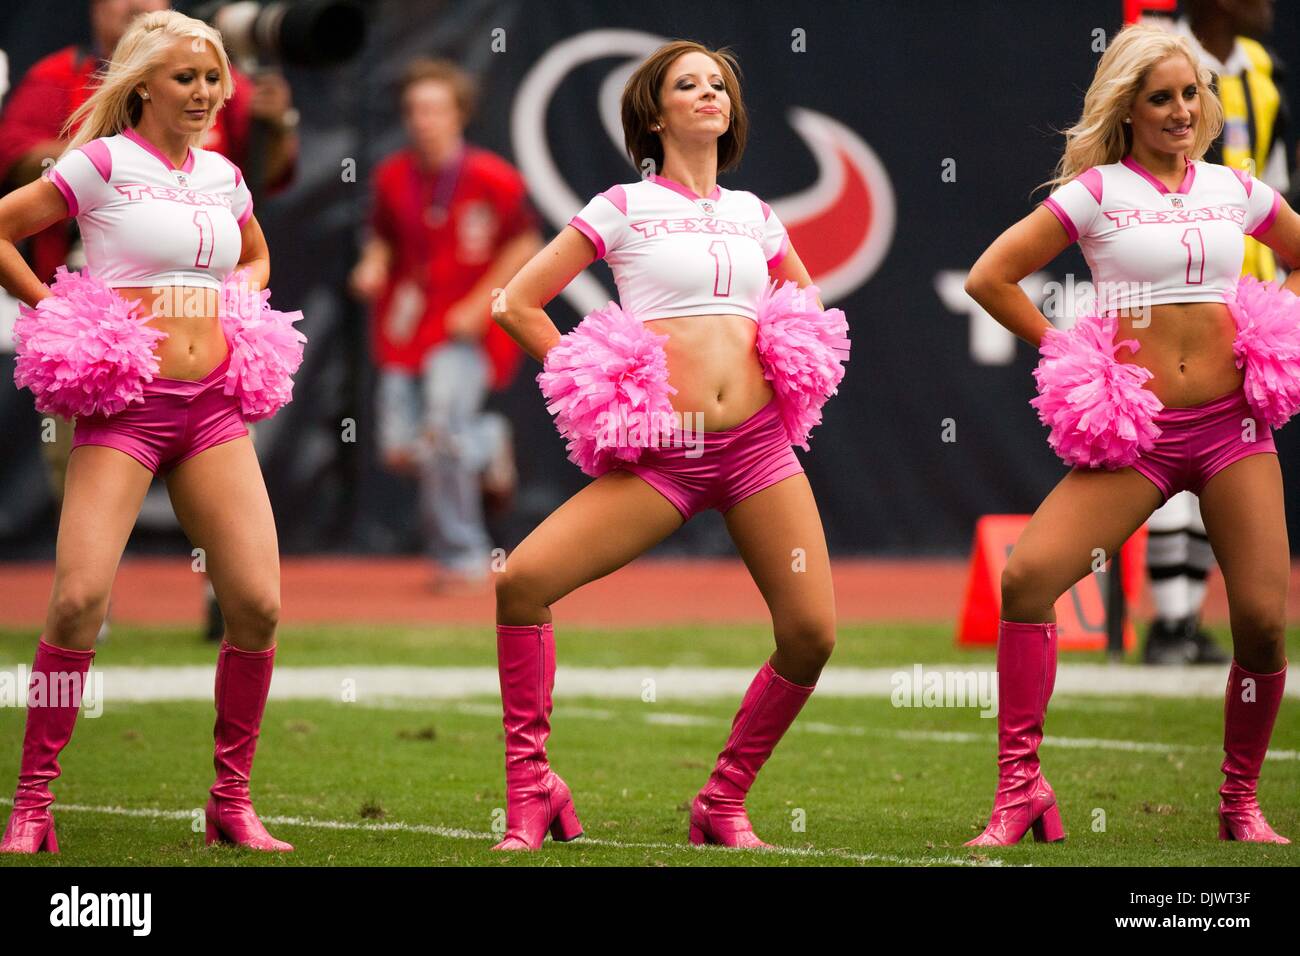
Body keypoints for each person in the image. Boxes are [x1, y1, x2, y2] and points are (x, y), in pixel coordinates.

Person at [488, 40, 843, 851]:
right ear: (656, 112)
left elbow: (809, 302)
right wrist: (594, 372)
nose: (709, 94)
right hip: (665, 454)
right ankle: (532, 788)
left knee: (812, 634)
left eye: (719, 84)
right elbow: (517, 302)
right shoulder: (621, 206)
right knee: (523, 585)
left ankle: (722, 800)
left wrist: (786, 350)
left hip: (757, 449)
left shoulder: (756, 214)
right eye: (689, 85)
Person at [963, 23, 1298, 846]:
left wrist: (1277, 324)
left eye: (1190, 94)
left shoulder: (1237, 189)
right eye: (1161, 98)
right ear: (1128, 108)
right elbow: (989, 277)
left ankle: (1239, 802)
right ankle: (1021, 792)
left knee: (1261, 621)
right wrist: (1072, 349)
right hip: (1137, 432)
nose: (1181, 111)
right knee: (1029, 579)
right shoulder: (1097, 191)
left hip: (1232, 425)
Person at [0, 10, 300, 853]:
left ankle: (232, 801)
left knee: (258, 604)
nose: (204, 93)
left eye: (211, 78)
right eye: (185, 79)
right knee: (77, 601)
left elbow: (257, 255)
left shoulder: (224, 176)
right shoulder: (99, 163)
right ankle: (32, 801)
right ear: (142, 86)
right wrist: (56, 306)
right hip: (125, 405)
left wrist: (240, 298)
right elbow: (4, 227)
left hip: (211, 406)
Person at [350, 58, 539, 593]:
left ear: (458, 114)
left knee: (441, 437)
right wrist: (373, 265)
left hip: (463, 332)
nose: (422, 120)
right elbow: (381, 236)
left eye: (434, 108)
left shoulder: (492, 177)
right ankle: (489, 440)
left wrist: (483, 304)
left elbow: (526, 243)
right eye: (414, 109)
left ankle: (463, 555)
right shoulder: (392, 175)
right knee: (399, 447)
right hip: (405, 331)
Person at [1139, 0, 1291, 665]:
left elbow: (1278, 183)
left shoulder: (1263, 71)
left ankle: (1190, 619)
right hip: (1171, 286)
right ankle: (1171, 622)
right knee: (1169, 450)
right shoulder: (1152, 48)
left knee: (1224, 461)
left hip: (1249, 301)